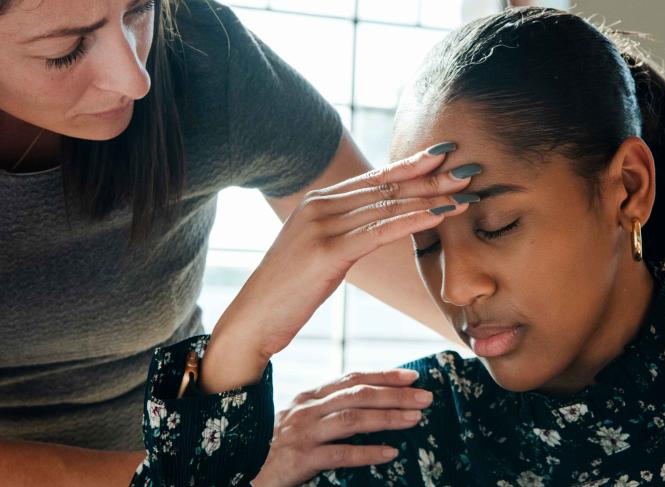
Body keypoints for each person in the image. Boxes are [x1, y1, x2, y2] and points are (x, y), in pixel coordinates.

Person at [133, 6, 665, 487]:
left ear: (627, 189)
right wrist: (239, 345)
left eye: (496, 225)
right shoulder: (393, 436)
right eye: (425, 243)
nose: (454, 288)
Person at [0, 0, 475, 484]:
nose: (136, 80)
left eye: (139, 10)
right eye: (66, 49)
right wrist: (215, 462)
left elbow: (400, 249)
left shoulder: (200, 50)